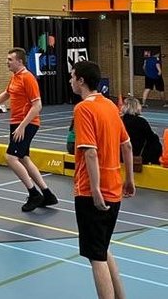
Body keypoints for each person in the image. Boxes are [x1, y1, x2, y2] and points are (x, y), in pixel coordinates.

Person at [70, 60, 136, 299]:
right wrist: (129, 179)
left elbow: (89, 151)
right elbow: (126, 146)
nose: (70, 81)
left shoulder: (83, 109)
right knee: (103, 249)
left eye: (72, 77)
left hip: (91, 192)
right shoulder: (109, 106)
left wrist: (95, 189)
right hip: (115, 188)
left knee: (96, 257)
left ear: (81, 81)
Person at [0, 47, 58, 212]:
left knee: (10, 157)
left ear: (20, 61)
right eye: (7, 58)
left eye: (10, 59)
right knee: (23, 158)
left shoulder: (28, 78)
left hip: (26, 123)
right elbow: (7, 93)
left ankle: (33, 194)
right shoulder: (15, 77)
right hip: (16, 122)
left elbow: (37, 105)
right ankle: (47, 194)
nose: (7, 62)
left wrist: (22, 126)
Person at [120, 96, 162, 165]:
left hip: (120, 155)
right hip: (137, 155)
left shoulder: (119, 120)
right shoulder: (141, 122)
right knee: (155, 142)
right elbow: (152, 139)